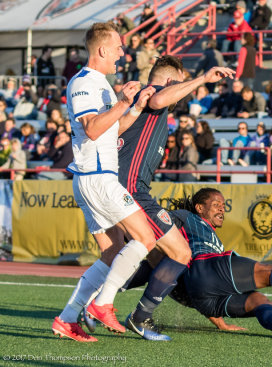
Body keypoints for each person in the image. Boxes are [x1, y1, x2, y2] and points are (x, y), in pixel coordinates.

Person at [88, 56, 236, 341]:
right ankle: (138, 318)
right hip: (131, 190)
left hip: (113, 186)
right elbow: (158, 98)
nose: (184, 93)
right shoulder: (151, 95)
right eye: (181, 85)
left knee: (124, 255)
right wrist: (203, 79)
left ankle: (79, 311)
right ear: (171, 81)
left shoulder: (140, 102)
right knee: (180, 253)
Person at [116, 188, 272, 339]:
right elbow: (152, 222)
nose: (222, 210)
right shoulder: (188, 217)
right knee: (269, 272)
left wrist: (220, 322)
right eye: (216, 205)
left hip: (203, 299)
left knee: (258, 300)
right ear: (200, 207)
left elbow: (203, 284)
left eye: (223, 206)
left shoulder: (212, 236)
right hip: (204, 269)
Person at [52, 21, 158, 343]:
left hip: (94, 177)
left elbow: (112, 129)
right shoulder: (85, 82)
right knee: (146, 238)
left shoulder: (100, 83)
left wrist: (135, 106)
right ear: (101, 50)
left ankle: (68, 320)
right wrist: (123, 102)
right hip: (98, 178)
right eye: (118, 47)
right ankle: (102, 304)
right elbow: (94, 129)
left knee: (113, 254)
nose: (122, 53)